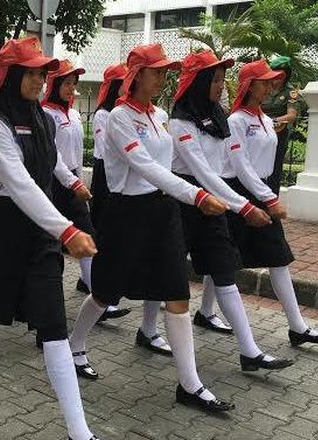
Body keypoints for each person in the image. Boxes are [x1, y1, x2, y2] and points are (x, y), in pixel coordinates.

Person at [68, 43, 235, 412]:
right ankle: (74, 344)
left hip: (164, 212)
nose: (162, 78)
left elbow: (168, 166)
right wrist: (197, 195)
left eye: (164, 72)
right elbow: (145, 166)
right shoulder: (119, 118)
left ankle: (190, 385)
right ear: (136, 75)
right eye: (156, 71)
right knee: (105, 292)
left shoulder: (159, 115)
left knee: (177, 294)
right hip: (127, 215)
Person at [0, 37, 100, 440]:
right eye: (30, 73)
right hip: (2, 230)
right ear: (12, 75)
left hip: (41, 235)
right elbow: (17, 181)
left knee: (54, 327)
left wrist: (73, 184)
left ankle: (79, 431)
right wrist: (67, 230)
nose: (39, 80)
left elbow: (52, 163)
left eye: (41, 74)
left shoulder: (43, 118)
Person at [170, 50, 294, 371]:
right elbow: (202, 172)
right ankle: (146, 330)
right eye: (214, 80)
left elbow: (228, 166)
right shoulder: (180, 121)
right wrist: (245, 206)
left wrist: (254, 200)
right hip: (184, 204)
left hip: (213, 205)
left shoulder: (219, 118)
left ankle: (249, 352)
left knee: (225, 274)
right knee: (168, 276)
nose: (220, 85)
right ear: (198, 82)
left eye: (222, 79)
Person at [224, 59, 318, 347]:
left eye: (271, 81)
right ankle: (205, 311)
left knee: (277, 257)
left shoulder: (264, 119)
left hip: (262, 191)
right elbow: (241, 165)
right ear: (249, 86)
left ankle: (297, 327)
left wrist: (268, 194)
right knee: (224, 257)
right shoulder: (236, 121)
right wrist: (268, 198)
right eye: (263, 82)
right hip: (243, 194)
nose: (270, 86)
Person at [40, 60, 95, 297]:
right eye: (66, 83)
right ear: (54, 84)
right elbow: (52, 156)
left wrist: (79, 179)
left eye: (74, 83)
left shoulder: (73, 114)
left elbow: (78, 151)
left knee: (87, 235)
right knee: (50, 242)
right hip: (53, 183)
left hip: (73, 182)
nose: (71, 88)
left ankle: (94, 291)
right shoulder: (45, 114)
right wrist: (73, 183)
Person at [89, 64, 133, 321]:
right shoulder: (103, 115)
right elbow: (105, 148)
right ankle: (98, 288)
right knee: (101, 230)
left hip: (119, 174)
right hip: (105, 172)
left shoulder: (125, 113)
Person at [261, 56, 304, 195]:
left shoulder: (291, 93)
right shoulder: (263, 89)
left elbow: (291, 116)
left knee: (274, 170)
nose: (275, 78)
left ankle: (272, 200)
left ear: (285, 76)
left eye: (280, 75)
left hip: (278, 133)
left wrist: (269, 121)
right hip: (258, 132)